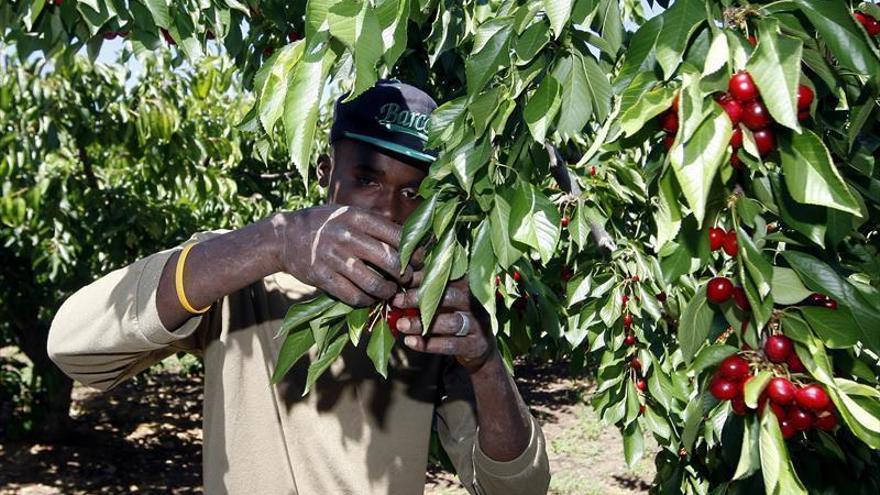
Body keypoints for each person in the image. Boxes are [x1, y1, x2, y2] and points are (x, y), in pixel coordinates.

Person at [47, 79, 550, 495]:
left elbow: (515, 490)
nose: (388, 212)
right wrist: (273, 242)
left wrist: (484, 362)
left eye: (414, 193)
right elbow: (73, 348)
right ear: (326, 174)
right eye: (367, 180)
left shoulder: (431, 307)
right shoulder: (243, 271)